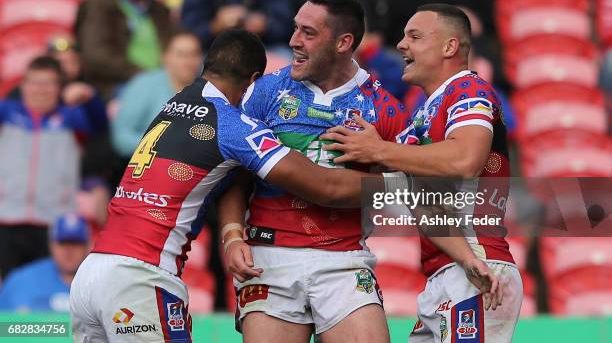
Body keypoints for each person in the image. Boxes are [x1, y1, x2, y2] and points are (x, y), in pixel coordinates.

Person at [72, 29, 479, 342]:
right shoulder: (232, 124)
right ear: (252, 82)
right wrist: (395, 176)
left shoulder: (174, 105)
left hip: (93, 272)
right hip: (141, 275)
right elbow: (323, 186)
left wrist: (231, 234)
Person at [220, 0, 501, 343]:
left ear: (343, 42)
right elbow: (234, 174)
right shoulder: (264, 92)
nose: (293, 41)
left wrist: (465, 256)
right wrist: (231, 236)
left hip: (344, 260)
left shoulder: (382, 108)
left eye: (308, 33)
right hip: (268, 257)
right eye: (295, 29)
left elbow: (418, 192)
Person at [321, 4, 522, 342]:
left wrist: (379, 150)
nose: (401, 44)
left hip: (480, 265)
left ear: (449, 47)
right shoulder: (421, 114)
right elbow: (421, 201)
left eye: (414, 36)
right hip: (453, 266)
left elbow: (466, 159)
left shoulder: (469, 90)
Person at [0, 56, 101, 280]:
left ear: (59, 88)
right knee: (7, 291)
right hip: (6, 219)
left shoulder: (70, 117)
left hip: (53, 222)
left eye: (48, 83)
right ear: (23, 85)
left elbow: (100, 124)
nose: (40, 90)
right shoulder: (6, 113)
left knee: (44, 288)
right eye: (34, 82)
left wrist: (90, 96)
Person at [77, 0, 175, 99]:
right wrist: (143, 75)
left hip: (164, 81)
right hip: (117, 84)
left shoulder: (161, 11)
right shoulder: (100, 5)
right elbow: (96, 56)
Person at [111, 31, 203, 159]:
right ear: (165, 57)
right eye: (181, 55)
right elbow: (121, 138)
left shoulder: (207, 91)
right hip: (144, 166)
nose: (188, 61)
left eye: (194, 54)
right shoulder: (144, 85)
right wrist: (163, 147)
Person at [0, 213, 90, 312]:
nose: (68, 251)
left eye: (75, 243)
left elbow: (110, 324)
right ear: (51, 245)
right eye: (62, 243)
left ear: (87, 247)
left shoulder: (102, 283)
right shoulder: (20, 282)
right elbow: (3, 324)